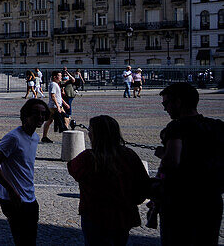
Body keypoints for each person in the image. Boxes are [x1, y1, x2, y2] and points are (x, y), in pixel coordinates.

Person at [151, 82, 224, 245]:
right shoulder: (217, 126)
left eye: (166, 103)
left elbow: (172, 161)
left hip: (181, 200)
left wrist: (163, 154)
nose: (165, 108)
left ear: (178, 102)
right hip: (211, 198)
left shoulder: (177, 127)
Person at [67, 115, 150, 246]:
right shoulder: (128, 155)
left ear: (95, 134)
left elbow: (72, 168)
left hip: (94, 215)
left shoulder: (88, 158)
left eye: (90, 130)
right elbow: (143, 184)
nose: (88, 134)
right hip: (122, 215)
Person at [0, 99, 48, 246]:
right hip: (13, 198)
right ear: (25, 115)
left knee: (30, 239)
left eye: (43, 114)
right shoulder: (13, 138)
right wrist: (11, 190)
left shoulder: (35, 137)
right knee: (22, 240)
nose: (40, 117)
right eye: (35, 113)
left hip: (29, 195)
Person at [41, 71, 70, 143]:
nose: (61, 77)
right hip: (54, 107)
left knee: (49, 121)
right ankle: (66, 137)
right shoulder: (53, 84)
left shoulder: (55, 84)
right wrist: (58, 106)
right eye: (59, 76)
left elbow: (58, 96)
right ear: (55, 77)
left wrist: (65, 103)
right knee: (66, 118)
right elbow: (53, 96)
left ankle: (44, 137)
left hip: (55, 106)